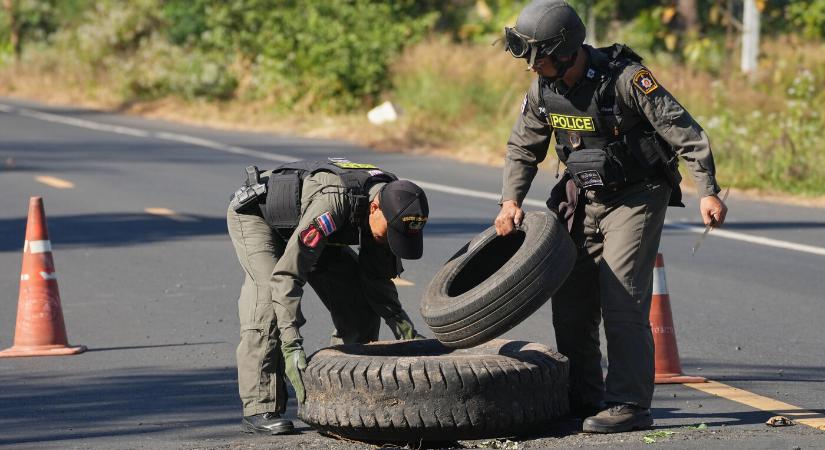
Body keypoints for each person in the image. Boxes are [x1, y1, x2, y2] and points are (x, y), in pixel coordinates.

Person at [494, 0, 728, 434]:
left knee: (621, 297)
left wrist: (707, 191)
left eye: (539, 59)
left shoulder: (626, 80)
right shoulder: (542, 91)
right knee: (571, 300)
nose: (532, 68)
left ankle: (629, 403)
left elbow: (686, 132)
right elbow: (522, 149)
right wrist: (511, 201)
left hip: (637, 197)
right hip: (582, 195)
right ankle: (583, 396)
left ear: (567, 51)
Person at [226, 158, 429, 435]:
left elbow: (376, 278)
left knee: (359, 304)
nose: (390, 240)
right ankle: (260, 406)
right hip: (261, 219)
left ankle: (337, 397)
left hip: (311, 226)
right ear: (374, 208)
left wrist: (404, 328)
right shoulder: (334, 204)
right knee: (268, 302)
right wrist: (291, 346)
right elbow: (287, 276)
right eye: (390, 233)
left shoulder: (391, 202)